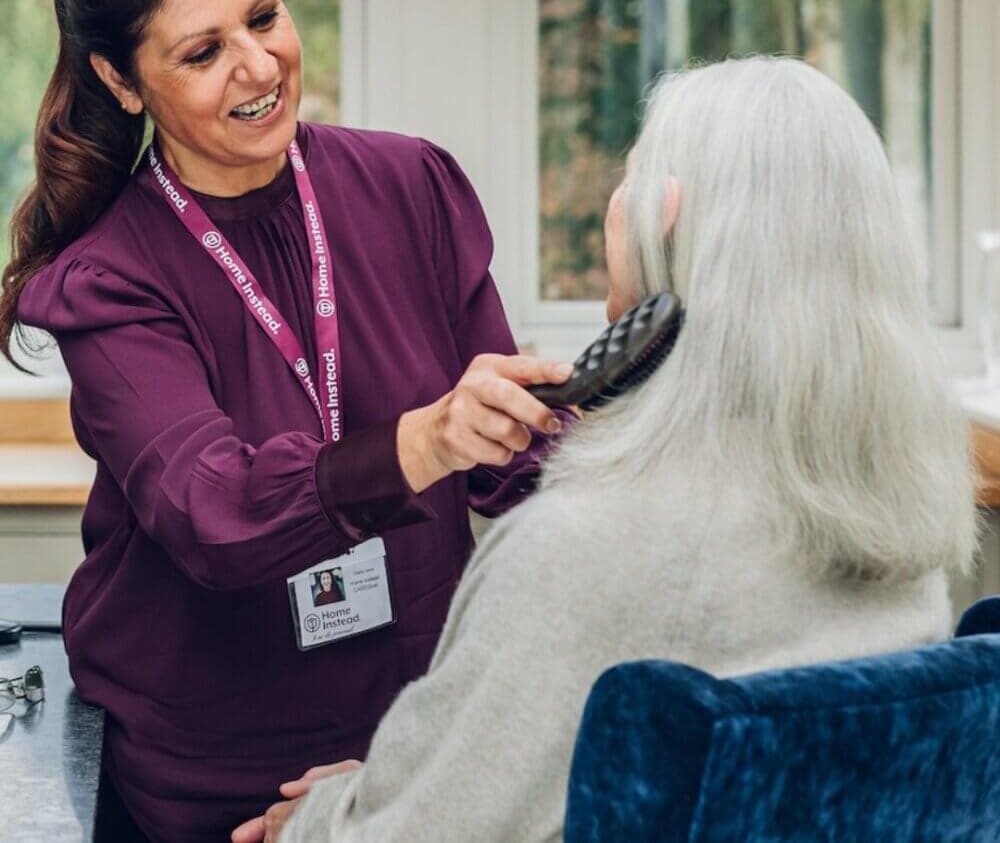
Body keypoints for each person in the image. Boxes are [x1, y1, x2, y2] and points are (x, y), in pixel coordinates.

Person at [233, 56, 977, 843]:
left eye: (628, 177)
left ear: (665, 217)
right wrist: (393, 782)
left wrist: (315, 819)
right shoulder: (904, 536)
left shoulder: (577, 551)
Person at [0, 0, 573, 843]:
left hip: (408, 755)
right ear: (121, 80)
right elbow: (213, 513)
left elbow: (513, 466)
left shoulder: (411, 186)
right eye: (202, 50)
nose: (258, 64)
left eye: (264, 16)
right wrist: (425, 440)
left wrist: (587, 424)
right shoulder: (109, 278)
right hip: (210, 785)